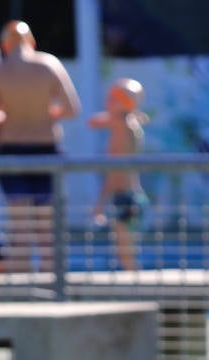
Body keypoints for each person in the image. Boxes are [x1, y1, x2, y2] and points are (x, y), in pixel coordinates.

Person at [0, 20, 80, 272]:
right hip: (46, 149)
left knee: (19, 227)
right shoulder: (49, 64)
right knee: (46, 227)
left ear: (5, 45)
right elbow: (72, 109)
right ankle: (52, 286)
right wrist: (46, 112)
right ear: (32, 42)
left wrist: (10, 114)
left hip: (11, 150)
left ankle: (22, 289)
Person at [88, 77, 150, 272]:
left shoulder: (123, 129)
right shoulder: (128, 123)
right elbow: (94, 122)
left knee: (126, 256)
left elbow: (116, 173)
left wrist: (99, 203)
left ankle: (137, 293)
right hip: (130, 195)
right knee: (127, 253)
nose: (108, 100)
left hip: (125, 196)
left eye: (114, 97)